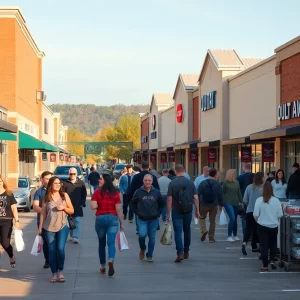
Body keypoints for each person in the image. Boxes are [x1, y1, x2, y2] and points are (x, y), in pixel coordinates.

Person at [38, 176, 74, 283]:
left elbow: (72, 210)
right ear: (51, 185)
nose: (58, 185)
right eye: (55, 183)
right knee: (52, 250)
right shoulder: (46, 197)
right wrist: (40, 228)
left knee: (60, 249)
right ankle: (54, 273)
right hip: (48, 228)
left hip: (63, 226)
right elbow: (43, 214)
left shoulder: (64, 196)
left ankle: (60, 271)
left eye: (59, 183)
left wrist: (64, 208)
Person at [90, 174, 124, 276]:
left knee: (101, 244)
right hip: (113, 219)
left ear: (105, 181)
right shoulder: (116, 193)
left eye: (100, 179)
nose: (99, 180)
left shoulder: (97, 192)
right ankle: (110, 259)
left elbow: (92, 206)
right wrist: (121, 223)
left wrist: (96, 204)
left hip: (100, 218)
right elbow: (118, 209)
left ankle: (102, 266)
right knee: (111, 243)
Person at [167, 165, 200, 262]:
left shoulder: (172, 183)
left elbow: (169, 199)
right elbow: (196, 197)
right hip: (188, 209)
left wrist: (168, 213)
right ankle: (186, 250)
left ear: (175, 171)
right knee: (187, 230)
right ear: (184, 171)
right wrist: (197, 210)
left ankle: (180, 252)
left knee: (178, 232)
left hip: (177, 210)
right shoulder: (190, 182)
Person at [131, 174, 164, 262]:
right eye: (145, 180)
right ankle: (142, 248)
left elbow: (162, 204)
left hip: (153, 219)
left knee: (152, 238)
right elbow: (133, 203)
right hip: (142, 218)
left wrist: (158, 213)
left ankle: (150, 255)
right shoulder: (138, 191)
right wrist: (137, 213)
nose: (147, 182)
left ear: (152, 181)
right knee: (142, 235)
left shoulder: (156, 192)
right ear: (143, 181)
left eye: (149, 180)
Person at [253, 181, 283, 272]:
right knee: (273, 244)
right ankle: (272, 260)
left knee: (264, 245)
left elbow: (255, 214)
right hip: (274, 226)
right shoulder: (276, 200)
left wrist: (258, 221)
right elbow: (280, 214)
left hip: (262, 226)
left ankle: (265, 265)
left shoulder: (259, 200)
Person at [128, 161, 160, 233]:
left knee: (138, 213)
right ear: (149, 167)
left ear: (141, 167)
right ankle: (151, 227)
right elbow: (157, 189)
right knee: (151, 212)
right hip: (151, 198)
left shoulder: (136, 177)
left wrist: (130, 199)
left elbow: (132, 188)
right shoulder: (153, 177)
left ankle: (139, 228)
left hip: (139, 198)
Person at [197, 168, 224, 243]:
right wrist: (221, 205)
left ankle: (204, 230)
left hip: (203, 204)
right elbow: (220, 195)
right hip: (214, 205)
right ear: (215, 175)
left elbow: (198, 194)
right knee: (212, 221)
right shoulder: (217, 184)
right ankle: (211, 238)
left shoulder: (203, 183)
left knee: (202, 218)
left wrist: (197, 205)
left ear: (209, 174)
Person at [33, 171, 53, 268]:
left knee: (53, 242)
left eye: (50, 178)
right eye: (47, 178)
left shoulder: (56, 190)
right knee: (46, 241)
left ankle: (54, 259)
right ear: (42, 179)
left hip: (55, 220)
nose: (49, 180)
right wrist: (45, 211)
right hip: (42, 220)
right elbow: (35, 207)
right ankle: (48, 260)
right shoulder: (39, 192)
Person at [242, 172, 264, 255]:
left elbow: (245, 200)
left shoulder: (249, 187)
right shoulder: (262, 188)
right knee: (257, 229)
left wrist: (249, 206)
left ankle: (244, 243)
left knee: (249, 229)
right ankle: (254, 245)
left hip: (250, 211)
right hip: (259, 212)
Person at [63, 167, 87, 244]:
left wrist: (82, 203)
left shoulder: (81, 183)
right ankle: (71, 235)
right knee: (69, 221)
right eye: (71, 174)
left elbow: (84, 194)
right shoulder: (65, 183)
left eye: (74, 174)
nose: (72, 175)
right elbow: (62, 194)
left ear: (77, 174)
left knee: (77, 221)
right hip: (67, 207)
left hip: (77, 205)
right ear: (68, 174)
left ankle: (75, 237)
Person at [0, 175, 20, 268]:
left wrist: (17, 220)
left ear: (3, 182)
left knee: (5, 243)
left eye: (0, 181)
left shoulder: (9, 193)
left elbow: (13, 208)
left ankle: (11, 256)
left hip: (6, 222)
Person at [222, 169, 243, 242]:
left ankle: (235, 235)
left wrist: (241, 202)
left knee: (235, 219)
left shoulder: (237, 182)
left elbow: (239, 192)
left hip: (236, 202)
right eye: (234, 173)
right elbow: (222, 193)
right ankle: (229, 235)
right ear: (231, 174)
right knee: (232, 218)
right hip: (228, 202)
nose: (236, 174)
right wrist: (222, 203)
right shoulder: (225, 182)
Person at [237, 163, 254, 236]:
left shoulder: (240, 177)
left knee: (244, 217)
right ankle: (252, 234)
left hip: (243, 199)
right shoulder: (254, 176)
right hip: (253, 199)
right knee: (253, 217)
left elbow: (237, 189)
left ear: (244, 168)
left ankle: (245, 234)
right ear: (250, 168)